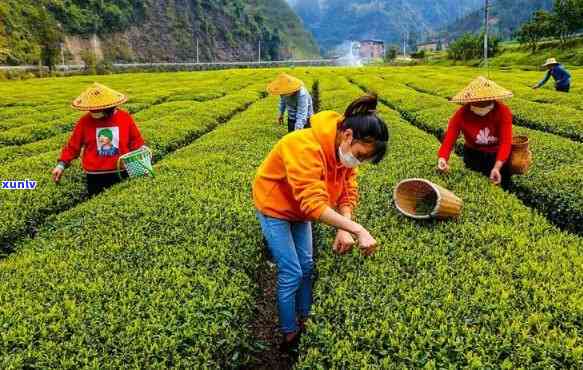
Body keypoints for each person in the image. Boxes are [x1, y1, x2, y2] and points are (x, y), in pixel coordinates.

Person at [253, 94, 389, 352]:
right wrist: (357, 229)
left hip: (299, 212)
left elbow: (348, 190)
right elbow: (313, 204)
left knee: (307, 265)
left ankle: (305, 316)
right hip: (275, 208)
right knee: (291, 271)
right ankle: (289, 332)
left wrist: (343, 225)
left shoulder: (343, 154)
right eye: (360, 155)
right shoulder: (303, 146)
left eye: (364, 159)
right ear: (347, 136)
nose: (358, 162)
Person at [51, 82, 145, 196]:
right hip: (94, 176)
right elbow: (73, 146)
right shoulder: (84, 121)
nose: (94, 113)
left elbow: (136, 141)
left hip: (122, 171)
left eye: (98, 110)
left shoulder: (125, 118)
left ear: (109, 107)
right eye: (92, 110)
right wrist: (61, 165)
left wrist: (141, 153)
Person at [437, 76, 514, 190]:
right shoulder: (462, 114)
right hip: (473, 154)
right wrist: (443, 158)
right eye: (477, 103)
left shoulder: (502, 111)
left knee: (502, 187)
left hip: (496, 155)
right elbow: (449, 138)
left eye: (485, 102)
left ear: (491, 99)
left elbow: (505, 142)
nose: (480, 105)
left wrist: (497, 167)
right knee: (475, 185)